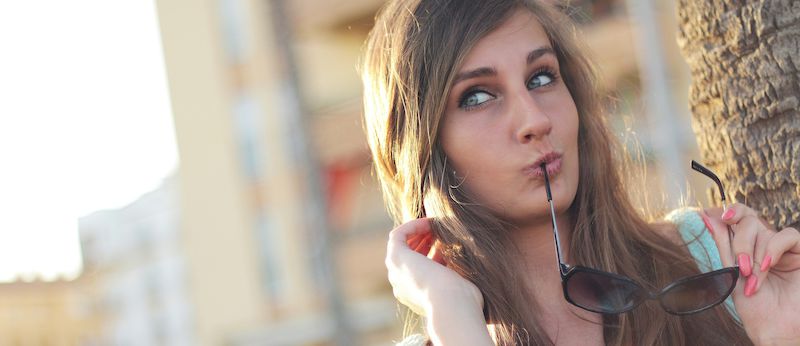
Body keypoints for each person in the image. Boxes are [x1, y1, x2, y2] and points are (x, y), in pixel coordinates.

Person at [359, 0, 800, 345]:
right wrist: (452, 311)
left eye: (540, 78)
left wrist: (779, 336)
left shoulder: (708, 264)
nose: (535, 120)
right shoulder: (449, 327)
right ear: (425, 148)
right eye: (477, 97)